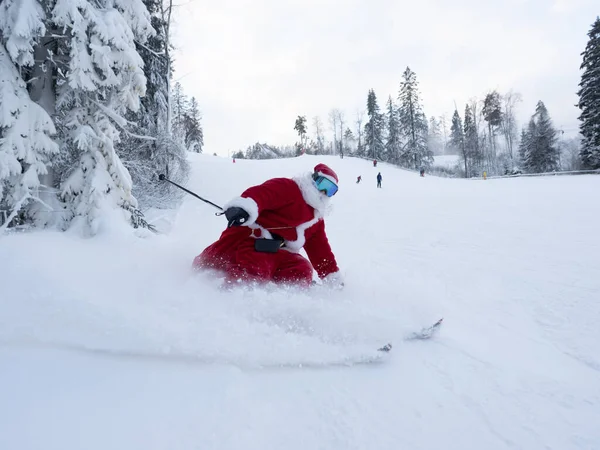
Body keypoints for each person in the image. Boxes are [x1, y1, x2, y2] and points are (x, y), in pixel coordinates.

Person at [193, 163, 343, 289]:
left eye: (331, 190)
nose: (324, 192)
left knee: (302, 268)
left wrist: (331, 276)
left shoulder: (316, 220)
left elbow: (320, 250)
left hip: (281, 252)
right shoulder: (290, 188)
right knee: (257, 263)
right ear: (313, 179)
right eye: (324, 184)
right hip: (254, 243)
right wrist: (244, 207)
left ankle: (290, 303)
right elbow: (262, 194)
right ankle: (235, 298)